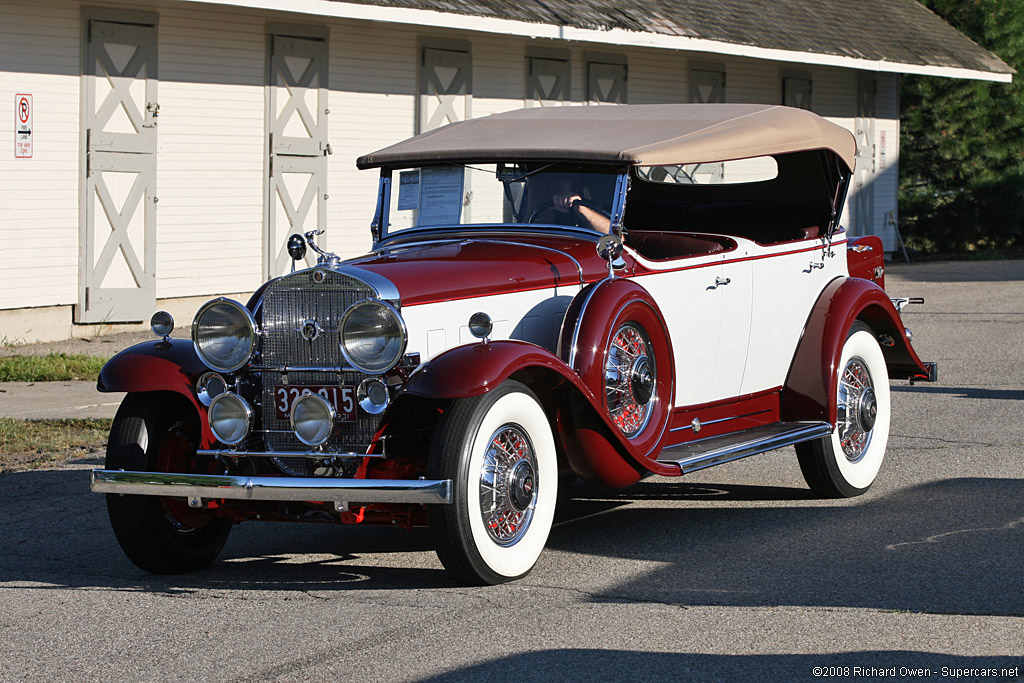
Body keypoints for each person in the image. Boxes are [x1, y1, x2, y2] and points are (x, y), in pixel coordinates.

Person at [523, 172, 611, 234]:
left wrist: (582, 210)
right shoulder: (521, 219)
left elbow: (616, 240)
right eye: (535, 188)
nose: (543, 193)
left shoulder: (586, 216)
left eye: (551, 185)